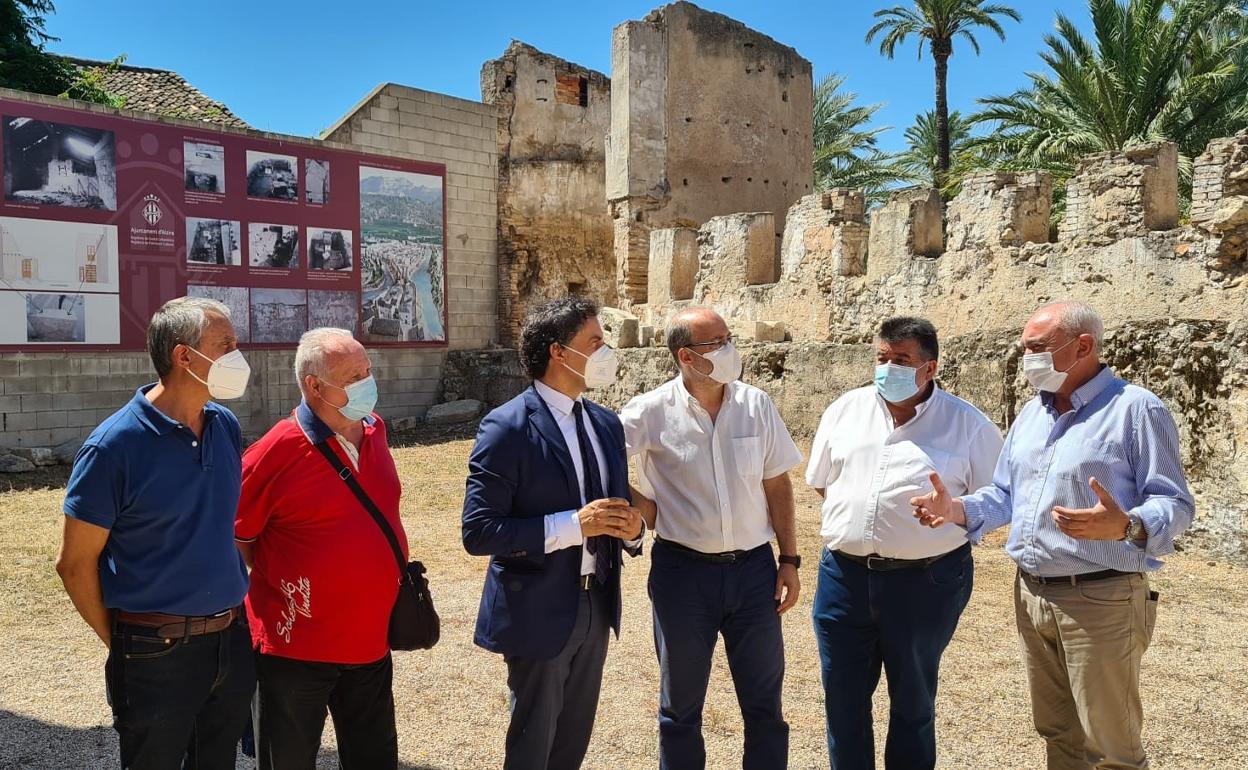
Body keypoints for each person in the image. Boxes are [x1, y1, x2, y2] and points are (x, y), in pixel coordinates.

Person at [912, 301, 1195, 770]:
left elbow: (1175, 502)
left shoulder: (1136, 409)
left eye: (1037, 348)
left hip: (1101, 597)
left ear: (1083, 346)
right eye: (1025, 348)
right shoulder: (1031, 414)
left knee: (1111, 748)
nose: (1026, 358)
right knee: (1058, 732)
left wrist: (1128, 525)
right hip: (1032, 594)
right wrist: (956, 509)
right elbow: (1005, 493)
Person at [56, 296, 254, 770]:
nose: (237, 356)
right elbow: (74, 564)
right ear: (184, 355)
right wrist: (126, 643)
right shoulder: (113, 447)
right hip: (154, 649)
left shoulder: (224, 426)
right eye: (225, 345)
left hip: (230, 639)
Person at [805, 316, 1003, 769]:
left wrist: (953, 510)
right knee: (842, 700)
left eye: (901, 360)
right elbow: (822, 482)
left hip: (925, 583)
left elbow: (999, 497)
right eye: (882, 358)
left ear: (929, 368)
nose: (888, 368)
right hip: (843, 578)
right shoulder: (844, 410)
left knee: (913, 703)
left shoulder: (967, 425)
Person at [462, 296, 645, 770]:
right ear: (559, 352)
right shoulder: (507, 427)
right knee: (533, 746)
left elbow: (616, 506)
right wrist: (572, 526)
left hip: (597, 603)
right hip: (537, 608)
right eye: (595, 342)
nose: (606, 351)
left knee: (571, 745)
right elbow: (479, 531)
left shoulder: (606, 424)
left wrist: (633, 530)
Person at [620, 306, 804, 770]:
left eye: (729, 338)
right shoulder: (649, 412)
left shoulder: (755, 405)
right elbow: (598, 462)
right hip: (683, 575)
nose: (730, 349)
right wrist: (646, 510)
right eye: (717, 343)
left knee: (765, 708)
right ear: (686, 356)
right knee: (680, 710)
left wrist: (789, 560)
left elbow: (776, 484)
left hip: (754, 573)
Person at [234, 327, 405, 769]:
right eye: (354, 376)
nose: (368, 383)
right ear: (314, 385)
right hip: (295, 650)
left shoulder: (375, 431)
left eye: (368, 370)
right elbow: (238, 538)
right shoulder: (275, 451)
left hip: (370, 644)